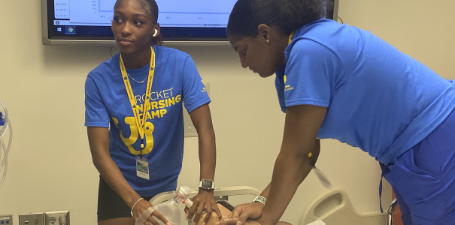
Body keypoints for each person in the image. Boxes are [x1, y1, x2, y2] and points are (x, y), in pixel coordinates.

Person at [217, 0, 455, 225]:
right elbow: (308, 149)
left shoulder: (309, 50)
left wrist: (266, 219)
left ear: (265, 34)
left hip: (436, 139)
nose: (243, 63)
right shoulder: (296, 58)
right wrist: (263, 202)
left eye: (243, 50)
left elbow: (297, 152)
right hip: (413, 150)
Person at [84, 0, 221, 224]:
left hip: (165, 186)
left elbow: (205, 128)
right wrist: (134, 201)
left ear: (153, 28)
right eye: (119, 19)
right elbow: (99, 152)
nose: (125, 29)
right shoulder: (98, 79)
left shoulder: (180, 64)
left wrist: (206, 187)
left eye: (137, 22)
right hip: (119, 187)